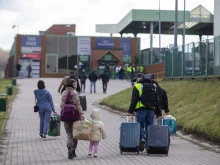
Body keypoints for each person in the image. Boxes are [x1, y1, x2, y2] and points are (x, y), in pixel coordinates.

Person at [127, 73, 162, 152]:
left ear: (139, 78)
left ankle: (143, 138)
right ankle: (148, 146)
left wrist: (130, 111)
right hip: (151, 110)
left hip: (141, 109)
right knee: (149, 127)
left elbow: (134, 100)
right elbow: (157, 101)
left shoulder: (137, 86)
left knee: (140, 126)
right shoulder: (153, 86)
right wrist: (159, 113)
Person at [60, 79, 84, 159]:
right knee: (75, 134)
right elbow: (77, 104)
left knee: (69, 134)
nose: (76, 86)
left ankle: (69, 148)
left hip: (66, 116)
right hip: (74, 116)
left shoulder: (64, 92)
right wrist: (81, 114)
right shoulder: (74, 92)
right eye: (75, 84)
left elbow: (62, 105)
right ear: (71, 85)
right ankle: (73, 150)